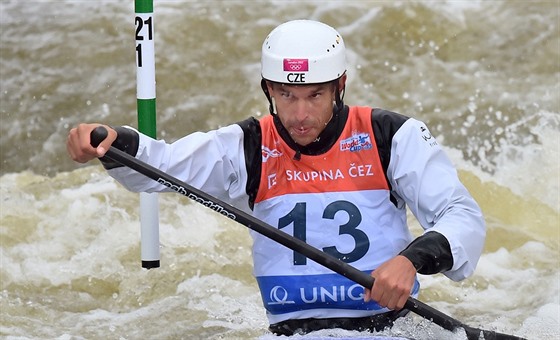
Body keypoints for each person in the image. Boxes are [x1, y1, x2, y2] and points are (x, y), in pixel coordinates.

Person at [67, 20, 486, 336]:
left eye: (314, 96)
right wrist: (109, 140)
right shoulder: (247, 145)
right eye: (286, 95)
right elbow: (161, 167)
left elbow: (461, 214)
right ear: (267, 88)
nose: (300, 115)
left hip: (388, 328)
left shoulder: (392, 136)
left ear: (340, 85)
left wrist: (411, 261)